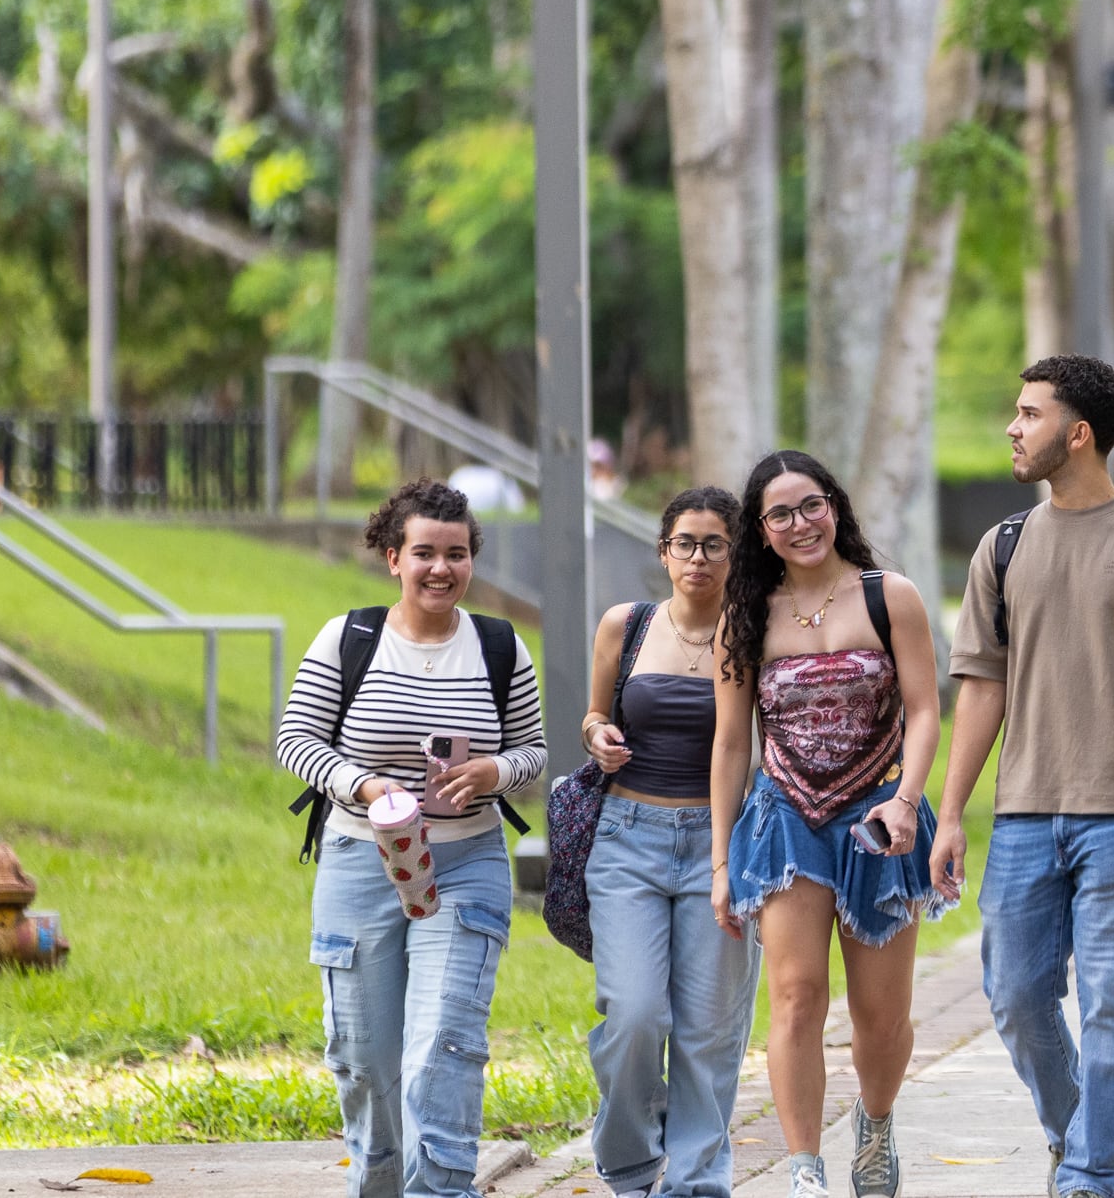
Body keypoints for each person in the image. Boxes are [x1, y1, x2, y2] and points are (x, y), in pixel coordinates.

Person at [932, 354, 1114, 1198]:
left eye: (1029, 414)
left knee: (1109, 1007)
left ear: (1078, 432)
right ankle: (1074, 1132)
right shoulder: (1004, 545)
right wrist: (950, 813)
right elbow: (981, 688)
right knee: (1016, 998)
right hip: (1023, 814)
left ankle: (1091, 1176)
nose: (1014, 429)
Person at [276, 478, 546, 1198]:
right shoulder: (350, 637)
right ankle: (381, 1186)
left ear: (470, 561)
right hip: (361, 859)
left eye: (456, 554)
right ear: (393, 557)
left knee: (442, 1046)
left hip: (466, 860)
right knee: (366, 1057)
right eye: (424, 552)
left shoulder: (498, 646)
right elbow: (296, 739)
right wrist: (363, 787)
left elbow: (534, 752)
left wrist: (493, 770)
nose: (440, 569)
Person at [711, 451, 947, 1198]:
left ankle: (874, 1128)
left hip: (880, 819)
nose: (799, 523)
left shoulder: (889, 596)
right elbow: (730, 742)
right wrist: (722, 863)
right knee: (796, 995)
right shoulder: (745, 616)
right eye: (779, 514)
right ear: (762, 531)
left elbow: (926, 710)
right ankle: (804, 1169)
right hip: (787, 823)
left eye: (809, 505)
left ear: (834, 506)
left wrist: (906, 799)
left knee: (881, 1016)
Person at [577, 487, 759, 1198]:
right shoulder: (625, 625)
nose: (699, 557)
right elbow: (593, 715)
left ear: (735, 553)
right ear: (663, 551)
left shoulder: (752, 633)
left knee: (710, 1033)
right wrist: (600, 738)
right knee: (633, 1015)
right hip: (628, 840)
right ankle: (628, 1166)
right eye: (685, 542)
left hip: (723, 841)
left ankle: (696, 1183)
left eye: (715, 544)